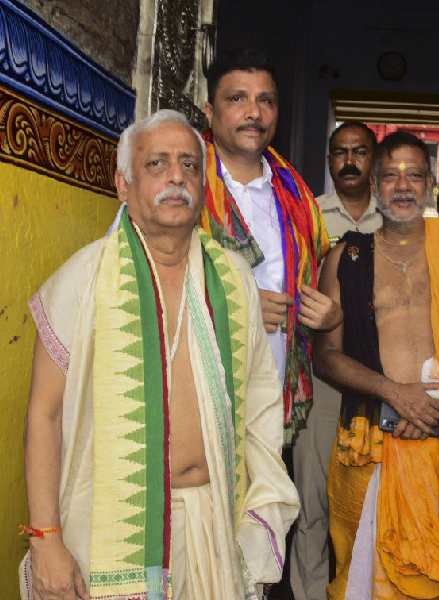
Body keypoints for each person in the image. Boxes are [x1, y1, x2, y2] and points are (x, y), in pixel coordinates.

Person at [20, 109, 300, 600]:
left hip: (217, 523)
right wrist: (46, 540)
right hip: (111, 529)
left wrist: (262, 513)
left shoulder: (233, 279)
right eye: (157, 164)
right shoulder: (82, 281)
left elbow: (260, 405)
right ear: (123, 184)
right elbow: (43, 416)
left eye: (190, 165)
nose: (177, 176)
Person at [315, 131, 439, 599]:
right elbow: (327, 357)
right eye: (390, 176)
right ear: (375, 184)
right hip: (371, 441)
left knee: (435, 568)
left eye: (414, 175)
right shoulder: (347, 257)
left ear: (430, 184)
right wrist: (395, 393)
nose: (402, 186)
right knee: (363, 578)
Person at [200, 48, 336, 453]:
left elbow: (314, 288)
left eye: (265, 100)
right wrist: (234, 304)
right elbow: (142, 275)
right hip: (197, 400)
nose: (253, 112)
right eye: (237, 98)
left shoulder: (296, 198)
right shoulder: (182, 184)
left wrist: (331, 315)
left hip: (273, 404)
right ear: (209, 111)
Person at [291, 120, 383, 600]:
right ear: (329, 161)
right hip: (319, 377)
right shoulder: (307, 215)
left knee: (369, 505)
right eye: (340, 152)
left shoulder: (394, 217)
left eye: (360, 152)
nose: (350, 161)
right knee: (312, 505)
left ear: (374, 159)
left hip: (377, 381)